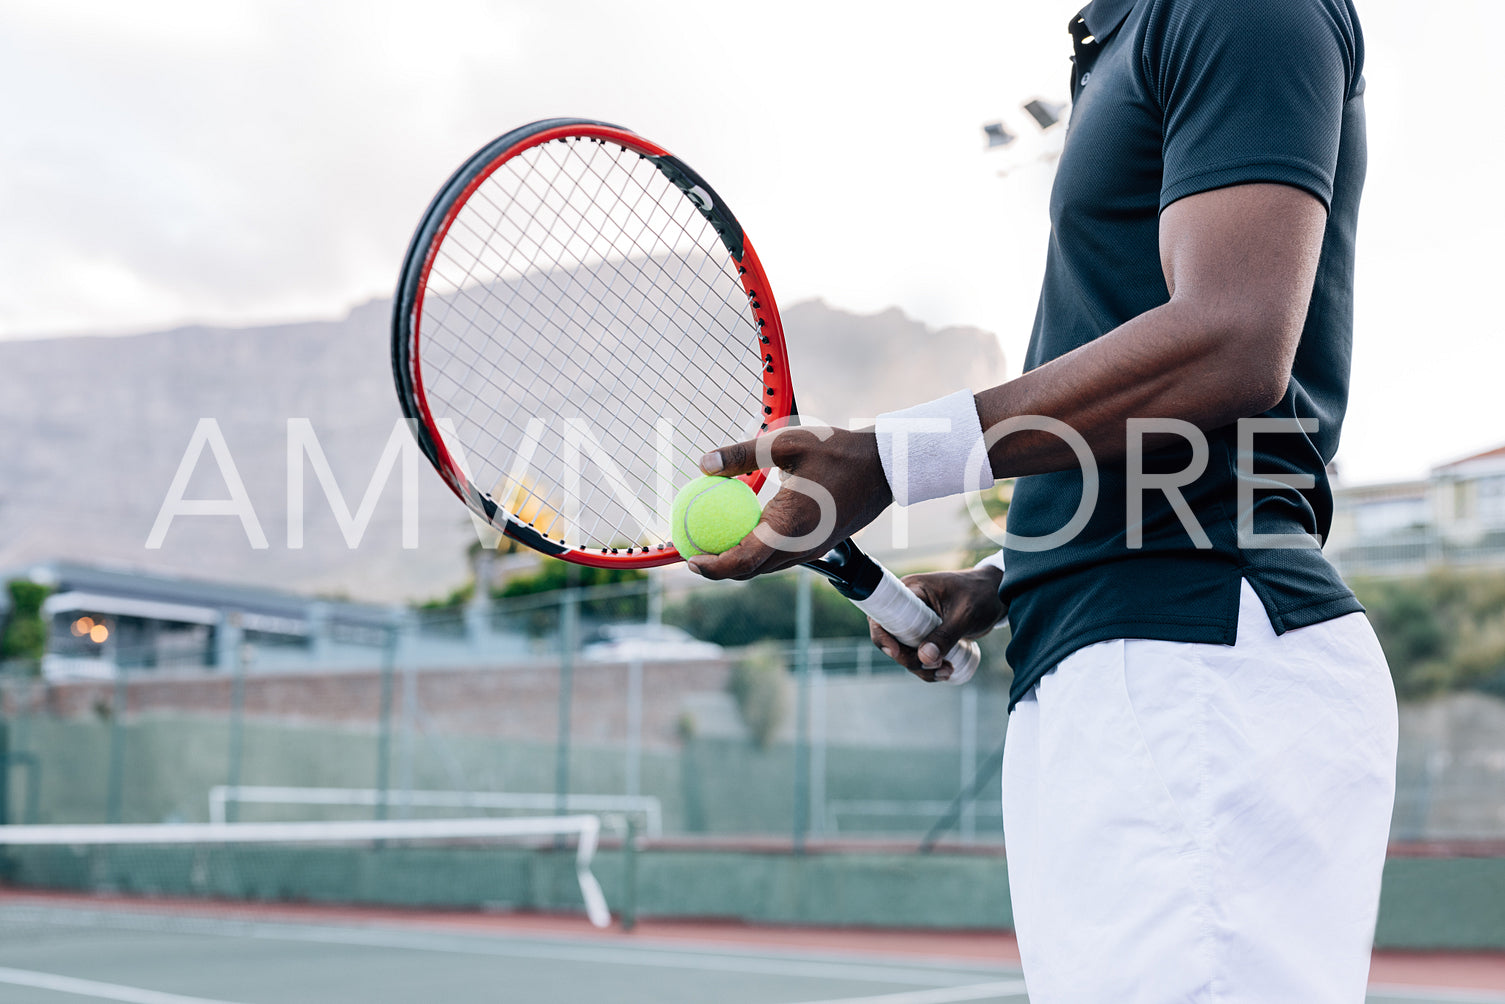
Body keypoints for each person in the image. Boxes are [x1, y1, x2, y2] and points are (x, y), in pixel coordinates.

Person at [688, 0, 1398, 999]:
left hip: (1193, 655)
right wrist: (1011, 573)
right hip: (1109, 658)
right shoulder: (1119, 35)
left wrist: (895, 457)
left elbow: (1235, 335)